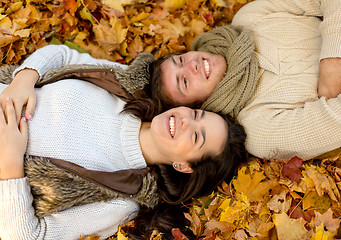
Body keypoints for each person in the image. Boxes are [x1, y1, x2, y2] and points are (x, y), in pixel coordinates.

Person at [0, 52, 247, 239]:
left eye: (195, 137)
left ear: (183, 166)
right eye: (195, 114)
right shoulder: (126, 87)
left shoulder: (122, 198)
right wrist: (24, 78)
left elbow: (29, 236)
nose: (185, 122)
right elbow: (64, 54)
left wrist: (10, 162)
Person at [154, 0, 341, 161]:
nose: (191, 66)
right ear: (198, 105)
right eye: (185, 82)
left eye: (180, 60)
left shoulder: (249, 19)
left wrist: (332, 60)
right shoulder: (259, 129)